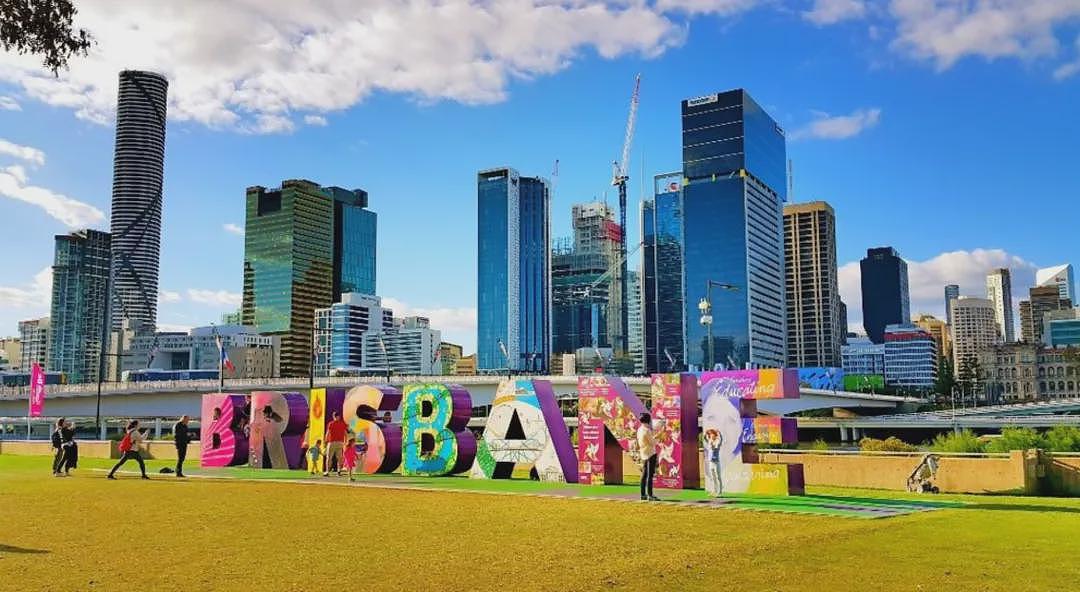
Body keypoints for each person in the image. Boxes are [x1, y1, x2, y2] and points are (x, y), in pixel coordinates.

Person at [636, 412, 662, 501]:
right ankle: (650, 495)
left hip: (643, 453)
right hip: (650, 453)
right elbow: (652, 443)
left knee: (644, 474)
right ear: (648, 420)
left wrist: (654, 436)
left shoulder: (640, 429)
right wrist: (659, 436)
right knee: (650, 475)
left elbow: (646, 440)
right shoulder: (647, 430)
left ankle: (643, 494)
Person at [323, 411, 348, 477]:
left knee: (329, 457)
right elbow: (345, 433)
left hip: (332, 442)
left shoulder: (331, 423)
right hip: (340, 442)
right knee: (339, 457)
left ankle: (327, 471)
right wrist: (345, 442)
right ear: (339, 417)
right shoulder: (342, 424)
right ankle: (339, 471)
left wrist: (325, 442)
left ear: (334, 416)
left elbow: (328, 433)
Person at [703, 428, 724, 496]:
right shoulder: (709, 441)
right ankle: (714, 491)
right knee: (713, 477)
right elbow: (705, 439)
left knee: (718, 477)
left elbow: (720, 441)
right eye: (711, 435)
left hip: (716, 462)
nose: (712, 436)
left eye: (713, 435)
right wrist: (706, 433)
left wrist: (719, 434)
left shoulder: (717, 442)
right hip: (711, 462)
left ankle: (720, 492)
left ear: (715, 436)